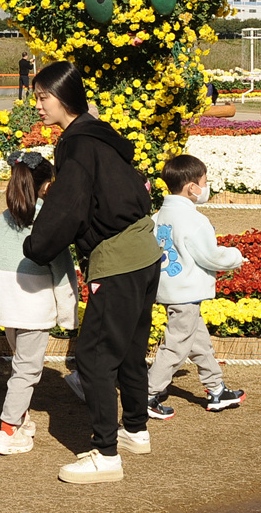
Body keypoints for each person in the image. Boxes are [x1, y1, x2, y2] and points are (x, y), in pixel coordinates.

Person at [24, 61, 163, 485]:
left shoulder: (77, 144)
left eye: (43, 97)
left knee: (94, 356)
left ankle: (105, 453)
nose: (38, 105)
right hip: (145, 251)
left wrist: (36, 247)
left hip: (118, 258)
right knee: (131, 347)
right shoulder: (100, 134)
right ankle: (135, 429)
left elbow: (69, 206)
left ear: (65, 97)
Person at [0, 152, 77, 455]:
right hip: (34, 305)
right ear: (47, 186)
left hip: (5, 306)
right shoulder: (49, 220)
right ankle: (7, 431)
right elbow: (63, 272)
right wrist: (69, 317)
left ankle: (19, 419)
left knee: (19, 364)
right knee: (27, 370)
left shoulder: (0, 221)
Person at [147, 154, 247, 417]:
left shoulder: (159, 216)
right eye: (204, 182)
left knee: (199, 342)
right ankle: (147, 393)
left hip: (169, 289)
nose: (206, 187)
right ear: (192, 187)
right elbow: (210, 256)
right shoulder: (194, 219)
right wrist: (236, 256)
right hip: (186, 292)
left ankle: (216, 388)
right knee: (176, 346)